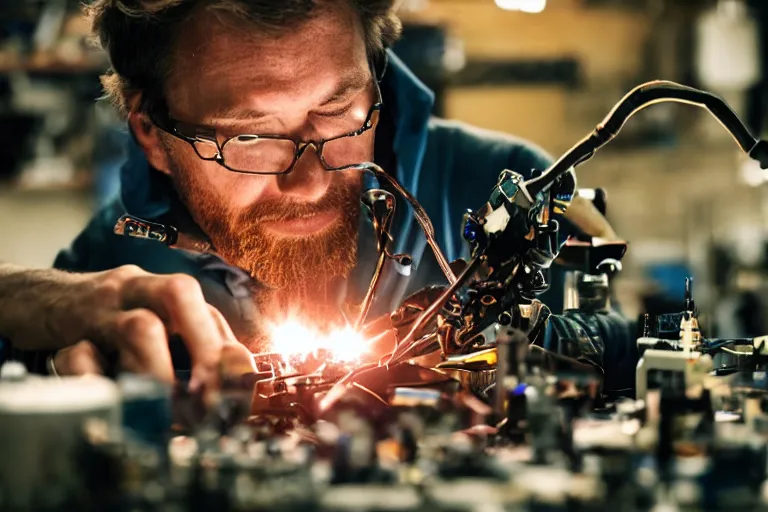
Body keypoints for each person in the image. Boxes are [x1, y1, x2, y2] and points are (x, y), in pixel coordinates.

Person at [0, 0, 619, 389]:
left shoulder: (510, 192)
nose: (311, 178)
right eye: (250, 137)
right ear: (152, 136)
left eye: (337, 112)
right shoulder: (109, 267)